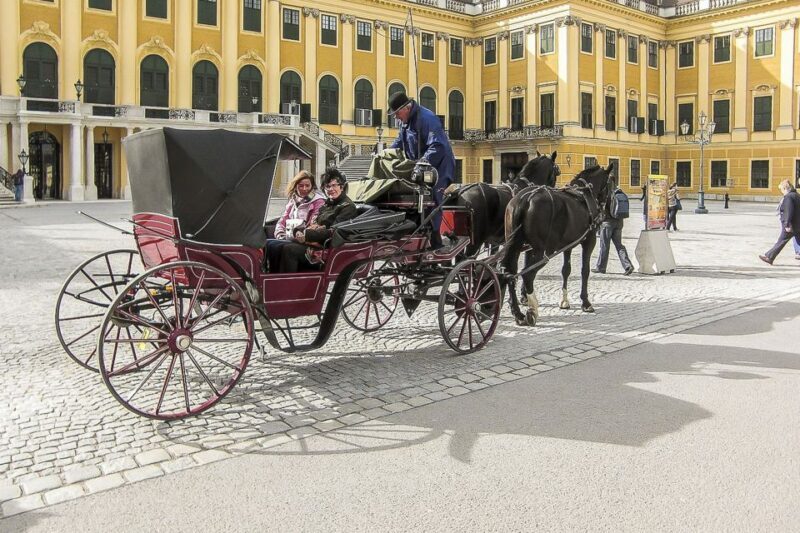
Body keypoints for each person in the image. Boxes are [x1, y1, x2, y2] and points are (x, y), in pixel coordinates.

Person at [387, 91, 455, 248]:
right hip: (418, 168)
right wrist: (386, 154)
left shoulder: (427, 118)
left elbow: (438, 145)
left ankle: (435, 238)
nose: (396, 117)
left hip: (439, 167)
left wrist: (423, 162)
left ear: (407, 107)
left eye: (397, 113)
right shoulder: (405, 122)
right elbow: (399, 142)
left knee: (432, 198)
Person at [278, 169, 358, 273]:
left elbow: (334, 232)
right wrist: (298, 231)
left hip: (327, 249)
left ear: (342, 187)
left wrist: (307, 235)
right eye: (327, 186)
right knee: (277, 245)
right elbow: (313, 223)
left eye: (334, 185)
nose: (330, 189)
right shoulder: (327, 204)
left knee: (289, 249)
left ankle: (287, 284)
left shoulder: (347, 207)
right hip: (315, 243)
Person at [265, 170, 325, 272]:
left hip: (306, 240)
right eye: (301, 186)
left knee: (285, 248)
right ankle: (272, 275)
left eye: (307, 185)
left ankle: (285, 280)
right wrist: (280, 233)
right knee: (269, 244)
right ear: (296, 186)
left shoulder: (318, 201)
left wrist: (297, 234)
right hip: (290, 236)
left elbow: (313, 224)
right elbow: (283, 219)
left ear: (312, 186)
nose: (304, 189)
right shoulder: (293, 200)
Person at [592, 183, 635, 275]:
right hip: (619, 222)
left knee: (604, 245)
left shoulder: (606, 195)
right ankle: (628, 266)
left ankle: (601, 268)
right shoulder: (619, 192)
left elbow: (600, 209)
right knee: (619, 245)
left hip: (607, 224)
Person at [759, 179, 800, 265]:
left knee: (781, 241)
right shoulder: (797, 195)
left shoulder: (788, 197)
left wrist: (787, 224)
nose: (782, 192)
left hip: (792, 225)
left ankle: (769, 257)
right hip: (798, 224)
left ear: (785, 188)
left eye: (781, 190)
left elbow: (788, 211)